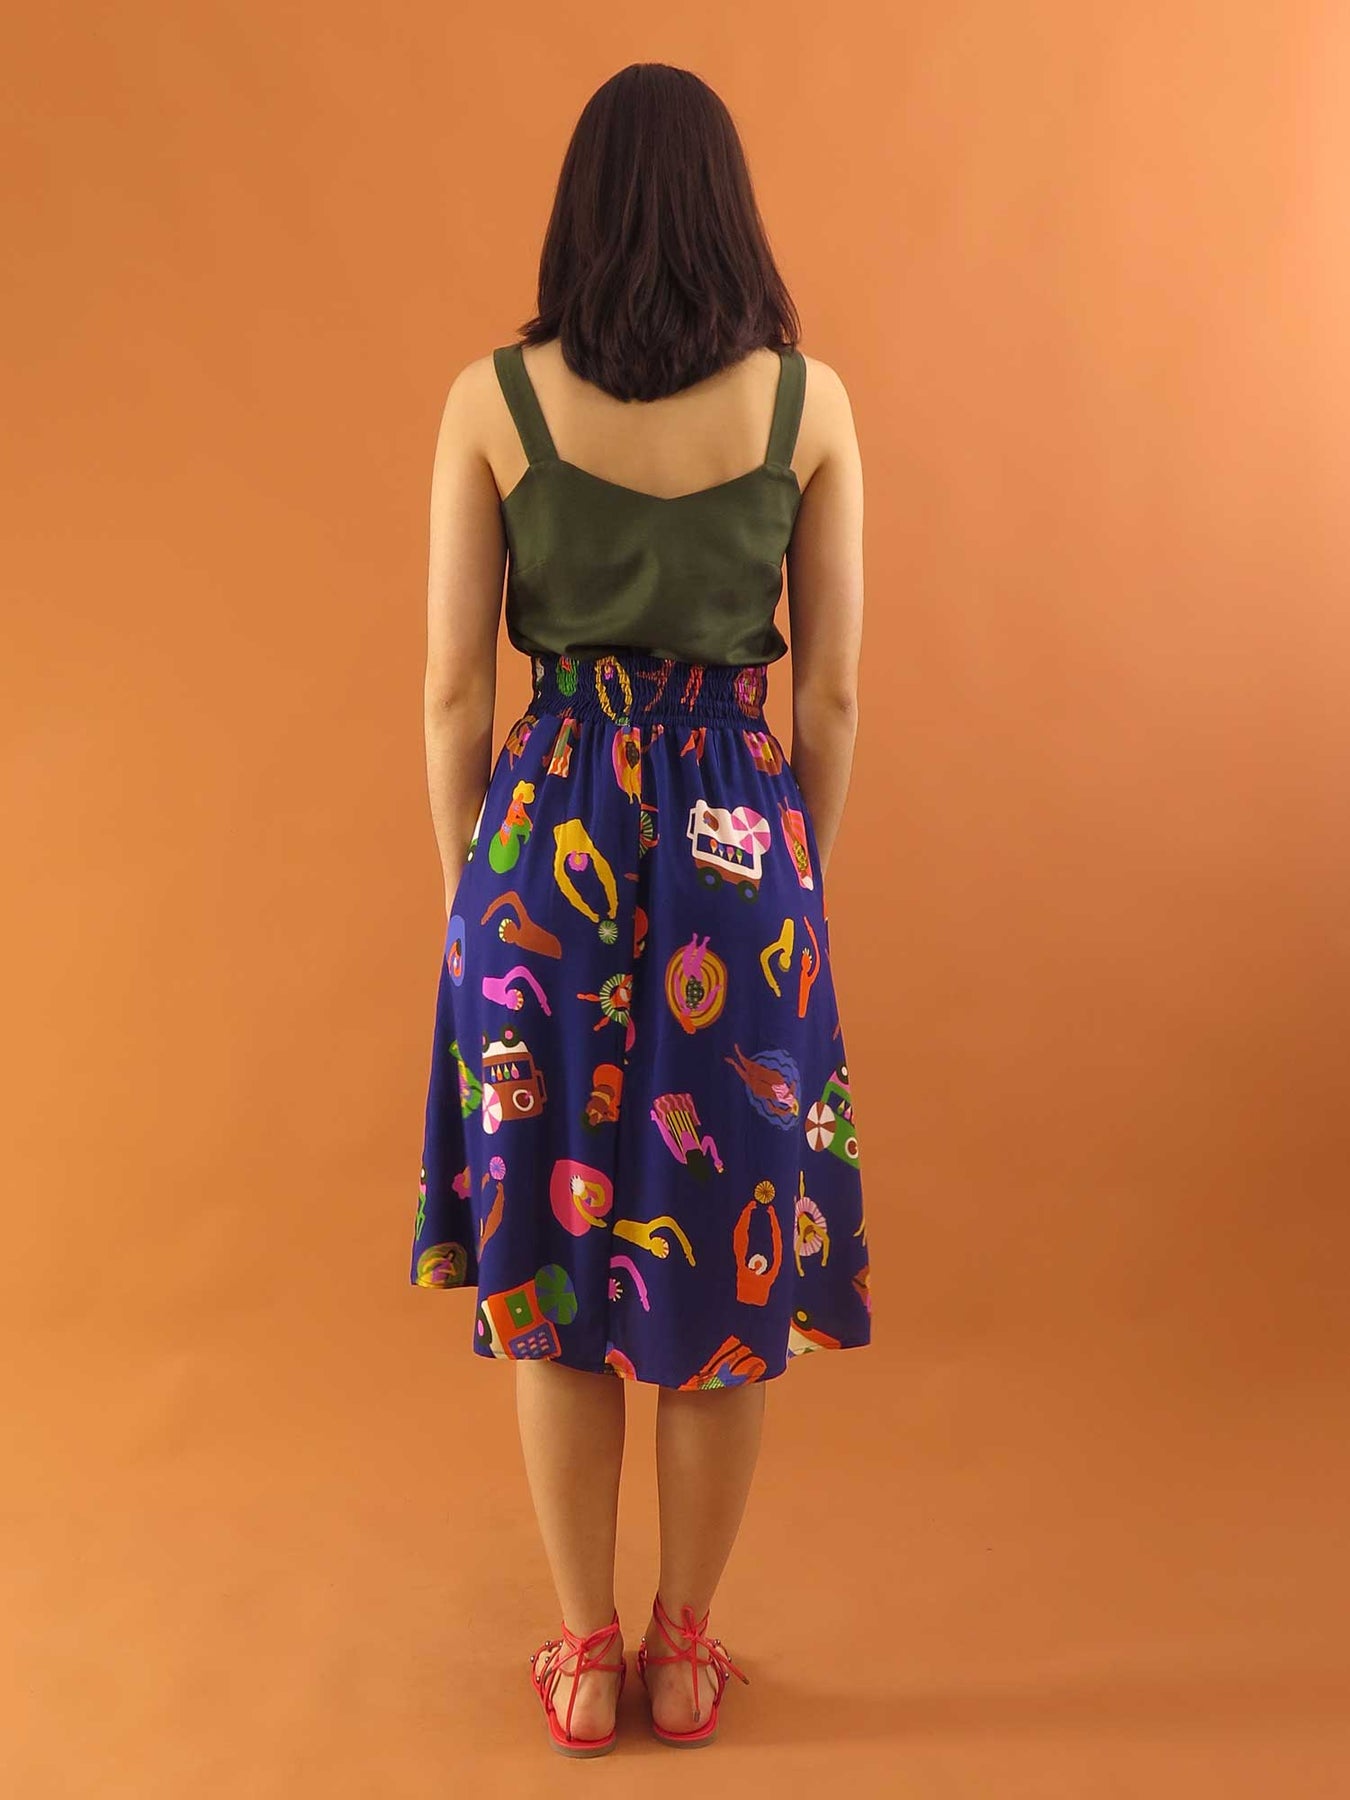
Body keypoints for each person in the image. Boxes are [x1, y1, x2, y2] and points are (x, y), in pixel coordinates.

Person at [410, 61, 869, 1756]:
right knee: (715, 1284)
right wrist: (789, 887)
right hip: (741, 866)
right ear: (728, 212)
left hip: (544, 851)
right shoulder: (807, 408)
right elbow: (829, 702)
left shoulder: (490, 402)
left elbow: (456, 697)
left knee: (548, 1262)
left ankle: (584, 1654)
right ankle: (685, 1651)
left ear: (580, 212)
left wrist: (474, 898)